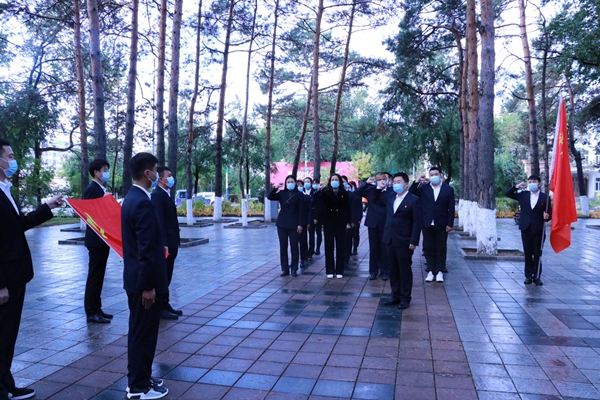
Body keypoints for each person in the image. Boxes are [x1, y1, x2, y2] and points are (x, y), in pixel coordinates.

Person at [0, 138, 63, 400]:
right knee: (2, 334)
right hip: (6, 279)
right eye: (10, 156)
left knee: (8, 334)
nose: (14, 161)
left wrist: (47, 207)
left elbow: (18, 226)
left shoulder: (5, 189)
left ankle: (6, 384)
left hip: (17, 274)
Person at [121, 152, 169, 399]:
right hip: (143, 284)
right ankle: (138, 388)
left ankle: (140, 377)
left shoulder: (132, 197)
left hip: (136, 279)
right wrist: (148, 286)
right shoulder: (141, 202)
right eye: (156, 170)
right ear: (147, 173)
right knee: (143, 335)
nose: (158, 174)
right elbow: (145, 249)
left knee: (140, 332)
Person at [374, 172, 422, 310]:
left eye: (399, 182)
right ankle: (395, 294)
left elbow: (417, 222)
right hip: (389, 238)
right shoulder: (390, 197)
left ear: (406, 184)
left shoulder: (414, 200)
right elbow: (375, 199)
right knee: (393, 269)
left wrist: (414, 241)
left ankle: (405, 297)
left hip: (404, 240)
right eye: (394, 182)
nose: (396, 185)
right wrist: (378, 187)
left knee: (404, 269)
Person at [410, 166, 455, 283]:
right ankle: (431, 270)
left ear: (441, 175)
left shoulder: (448, 189)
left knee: (441, 247)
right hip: (427, 222)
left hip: (442, 222)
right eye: (431, 175)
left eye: (436, 174)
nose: (434, 176)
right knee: (428, 247)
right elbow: (411, 193)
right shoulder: (424, 188)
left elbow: (451, 207)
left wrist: (450, 223)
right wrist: (416, 182)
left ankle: (439, 271)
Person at [505, 176, 552, 285]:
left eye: (534, 182)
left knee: (537, 253)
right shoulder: (523, 195)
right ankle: (528, 276)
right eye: (530, 182)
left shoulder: (545, 197)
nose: (531, 184)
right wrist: (516, 186)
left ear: (539, 183)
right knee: (528, 253)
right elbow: (507, 193)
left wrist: (547, 216)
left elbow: (550, 212)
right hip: (526, 228)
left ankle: (537, 276)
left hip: (538, 229)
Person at [83, 159, 113, 324]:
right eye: (104, 169)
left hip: (102, 240)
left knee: (99, 276)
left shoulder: (100, 189)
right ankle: (91, 311)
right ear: (96, 172)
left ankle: (97, 308)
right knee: (94, 276)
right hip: (96, 240)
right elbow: (92, 214)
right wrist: (105, 201)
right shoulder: (92, 190)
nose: (107, 172)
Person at [151, 166, 183, 320]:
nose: (171, 178)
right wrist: (163, 242)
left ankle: (165, 302)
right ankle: (160, 307)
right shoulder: (157, 195)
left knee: (168, 273)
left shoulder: (165, 193)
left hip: (172, 240)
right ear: (161, 179)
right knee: (163, 275)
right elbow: (159, 221)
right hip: (167, 243)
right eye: (168, 175)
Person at [314, 174, 352, 278]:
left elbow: (348, 208)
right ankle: (329, 270)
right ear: (330, 181)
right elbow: (317, 202)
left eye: (336, 180)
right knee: (329, 246)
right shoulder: (325, 192)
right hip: (328, 222)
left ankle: (339, 270)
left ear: (340, 182)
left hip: (340, 222)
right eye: (333, 180)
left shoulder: (344, 193)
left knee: (341, 247)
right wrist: (319, 190)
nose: (334, 181)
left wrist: (348, 222)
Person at [267, 175, 305, 277]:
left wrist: (300, 224)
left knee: (294, 247)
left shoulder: (299, 194)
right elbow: (270, 197)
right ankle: (285, 269)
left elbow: (301, 211)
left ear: (295, 183)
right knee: (283, 247)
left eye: (292, 182)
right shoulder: (282, 193)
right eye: (288, 182)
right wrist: (275, 188)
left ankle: (294, 269)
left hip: (294, 224)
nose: (290, 184)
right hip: (282, 224)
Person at [355, 172, 389, 281]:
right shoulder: (371, 190)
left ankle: (384, 271)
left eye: (383, 179)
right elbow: (358, 192)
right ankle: (373, 272)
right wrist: (366, 183)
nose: (382, 181)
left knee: (384, 248)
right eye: (379, 179)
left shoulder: (390, 191)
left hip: (385, 223)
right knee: (373, 248)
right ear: (375, 181)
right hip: (373, 223)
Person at [297, 179, 311, 269]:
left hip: (303, 222)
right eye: (297, 185)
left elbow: (309, 211)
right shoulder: (292, 197)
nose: (299, 187)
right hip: (293, 223)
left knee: (303, 242)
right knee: (294, 243)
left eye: (300, 185)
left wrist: (309, 222)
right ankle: (295, 260)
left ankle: (303, 259)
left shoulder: (306, 197)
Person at [348, 181, 362, 255]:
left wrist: (359, 218)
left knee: (355, 234)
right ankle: (349, 249)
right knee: (348, 236)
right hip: (348, 219)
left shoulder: (357, 196)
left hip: (355, 218)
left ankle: (355, 247)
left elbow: (359, 208)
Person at [310, 178, 323, 256]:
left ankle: (318, 247)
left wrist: (316, 217)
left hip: (318, 216)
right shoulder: (311, 192)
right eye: (313, 183)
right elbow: (312, 201)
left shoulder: (321, 192)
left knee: (318, 232)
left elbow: (319, 205)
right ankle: (311, 249)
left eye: (316, 183)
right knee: (311, 233)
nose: (315, 185)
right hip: (311, 215)